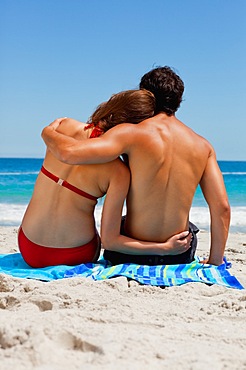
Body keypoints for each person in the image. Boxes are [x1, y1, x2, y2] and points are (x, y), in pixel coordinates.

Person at [42, 66, 230, 266]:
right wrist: (215, 261)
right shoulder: (203, 146)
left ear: (144, 95)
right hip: (177, 254)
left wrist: (47, 132)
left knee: (123, 223)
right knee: (188, 228)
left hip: (129, 253)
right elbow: (222, 208)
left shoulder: (130, 133)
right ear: (178, 100)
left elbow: (70, 154)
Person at [19, 89, 191, 268]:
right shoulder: (118, 172)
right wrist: (164, 248)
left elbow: (62, 142)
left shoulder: (63, 126)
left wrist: (47, 131)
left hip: (29, 247)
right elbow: (111, 241)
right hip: (74, 254)